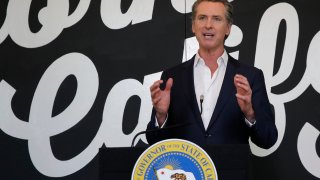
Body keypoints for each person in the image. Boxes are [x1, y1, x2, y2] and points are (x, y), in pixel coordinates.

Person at [146, 0, 277, 149]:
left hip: (230, 170)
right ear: (193, 26)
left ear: (228, 28)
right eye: (202, 18)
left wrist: (250, 114)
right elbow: (153, 142)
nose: (208, 25)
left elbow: (268, 139)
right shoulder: (172, 77)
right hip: (187, 171)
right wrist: (161, 116)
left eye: (216, 18)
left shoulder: (251, 76)